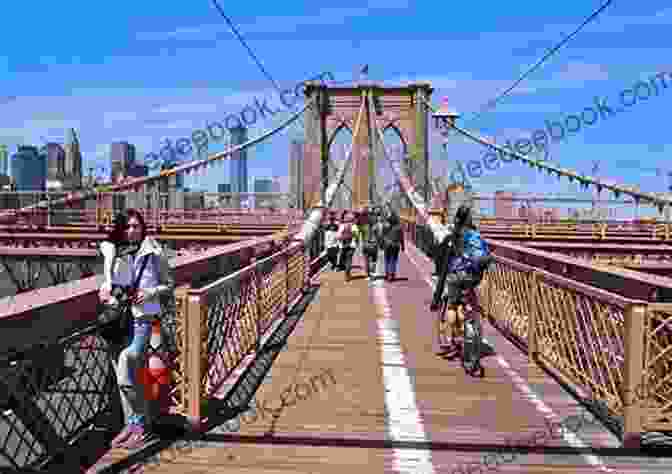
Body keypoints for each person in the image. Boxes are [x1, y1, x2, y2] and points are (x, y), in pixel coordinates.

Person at [98, 209, 175, 450]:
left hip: (143, 319)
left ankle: (142, 426)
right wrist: (105, 289)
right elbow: (114, 281)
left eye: (136, 226)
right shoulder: (117, 251)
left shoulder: (154, 252)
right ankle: (131, 425)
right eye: (128, 226)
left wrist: (150, 292)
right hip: (121, 319)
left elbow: (169, 284)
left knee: (125, 368)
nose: (132, 230)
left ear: (143, 227)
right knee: (130, 377)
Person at [429, 204, 491, 357]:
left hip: (457, 275)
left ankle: (450, 341)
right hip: (474, 275)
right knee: (469, 296)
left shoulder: (454, 235)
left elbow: (441, 256)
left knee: (452, 305)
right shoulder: (475, 234)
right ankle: (472, 319)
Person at [381, 211, 405, 281]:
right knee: (394, 260)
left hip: (387, 244)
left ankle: (387, 274)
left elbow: (382, 236)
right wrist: (403, 246)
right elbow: (401, 238)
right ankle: (392, 274)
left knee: (387, 260)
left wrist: (382, 244)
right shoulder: (399, 227)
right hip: (395, 245)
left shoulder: (385, 226)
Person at [337, 211, 359, 281]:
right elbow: (357, 236)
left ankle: (346, 273)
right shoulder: (354, 226)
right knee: (349, 260)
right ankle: (347, 275)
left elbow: (338, 236)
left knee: (345, 259)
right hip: (352, 245)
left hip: (343, 246)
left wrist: (340, 240)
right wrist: (356, 243)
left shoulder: (342, 226)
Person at [364, 209, 384, 278]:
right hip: (374, 245)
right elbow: (379, 236)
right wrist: (381, 245)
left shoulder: (365, 226)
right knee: (374, 260)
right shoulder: (377, 226)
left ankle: (368, 275)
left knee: (366, 260)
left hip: (366, 244)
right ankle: (372, 273)